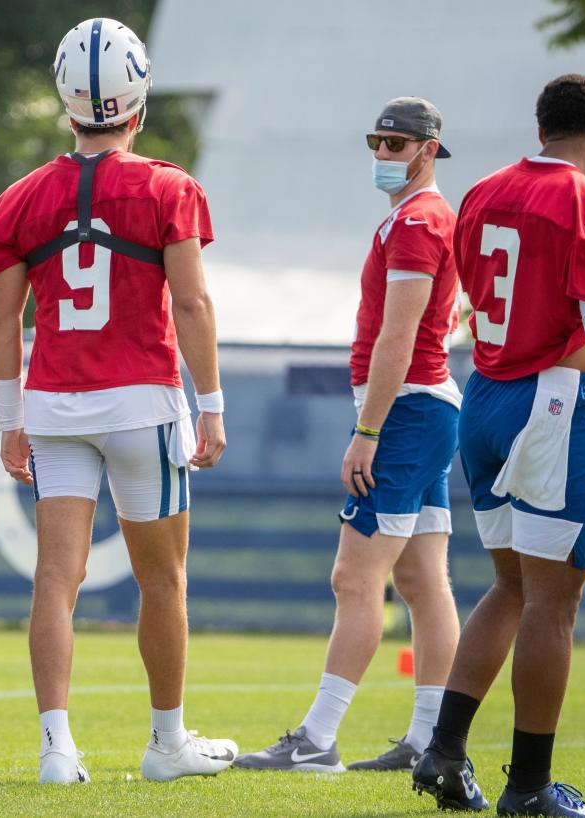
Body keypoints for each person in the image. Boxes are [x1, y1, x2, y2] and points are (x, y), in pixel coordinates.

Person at [0, 17, 234, 784]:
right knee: (164, 578)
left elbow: (1, 318)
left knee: (57, 578)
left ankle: (58, 749)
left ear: (66, 102)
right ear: (138, 101)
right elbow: (191, 305)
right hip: (141, 405)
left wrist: (9, 422)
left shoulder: (22, 196)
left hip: (55, 404)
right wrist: (212, 401)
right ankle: (166, 744)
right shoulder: (168, 187)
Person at [411, 74, 585, 817]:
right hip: (550, 400)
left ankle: (444, 751)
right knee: (555, 602)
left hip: (485, 396)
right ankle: (528, 789)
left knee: (512, 586)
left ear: (540, 128)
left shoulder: (484, 192)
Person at [234, 98, 462, 774]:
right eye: (378, 141)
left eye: (396, 144)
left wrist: (367, 429)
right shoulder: (429, 216)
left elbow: (399, 334)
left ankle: (318, 739)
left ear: (429, 149)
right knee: (424, 581)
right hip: (426, 408)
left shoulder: (418, 220)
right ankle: (428, 740)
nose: (384, 154)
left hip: (407, 412)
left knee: (354, 578)